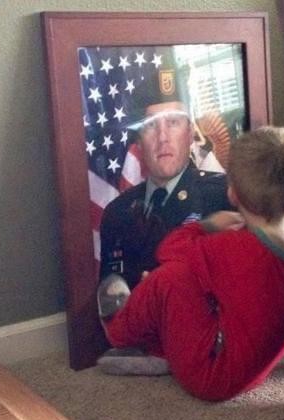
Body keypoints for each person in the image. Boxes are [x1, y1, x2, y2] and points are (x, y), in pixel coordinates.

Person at [98, 126, 284, 401]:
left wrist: (207, 225)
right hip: (253, 369)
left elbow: (168, 250)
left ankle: (119, 329)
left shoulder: (234, 246)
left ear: (232, 195)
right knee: (194, 281)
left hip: (211, 375)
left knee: (169, 278)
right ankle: (159, 352)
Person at [98, 53, 232, 304]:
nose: (163, 137)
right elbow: (111, 299)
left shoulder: (222, 198)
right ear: (138, 140)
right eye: (151, 125)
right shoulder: (117, 213)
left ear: (191, 133)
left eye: (173, 123)